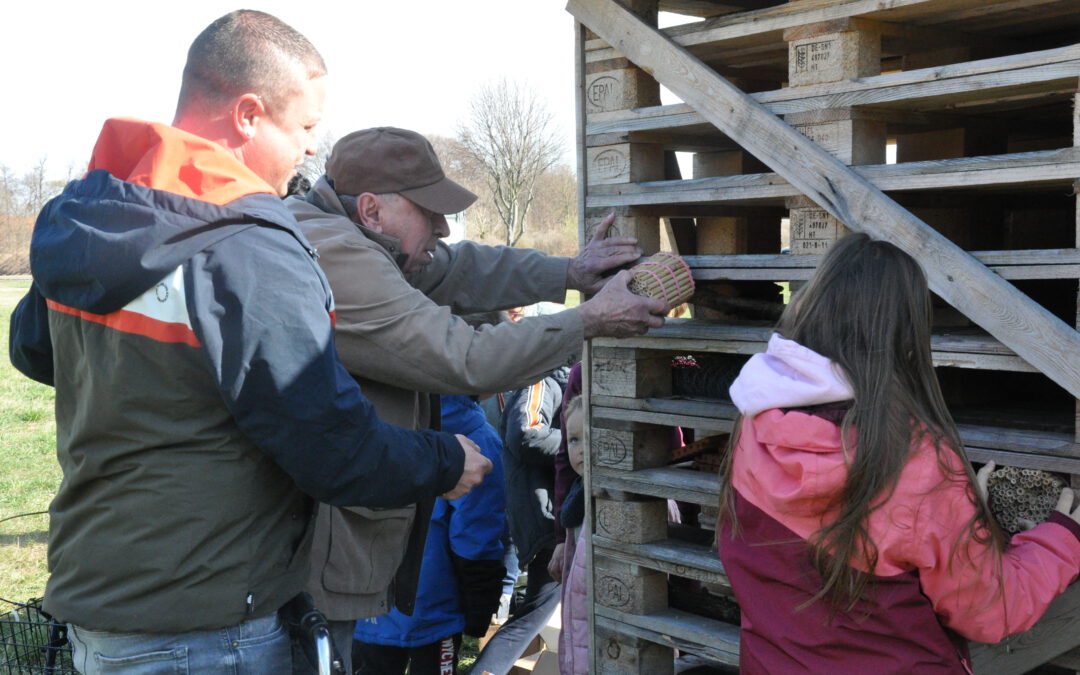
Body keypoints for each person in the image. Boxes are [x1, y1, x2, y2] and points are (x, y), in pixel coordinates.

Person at [7, 11, 489, 674]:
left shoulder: (96, 219)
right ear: (248, 114)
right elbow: (331, 448)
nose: (312, 151)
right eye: (306, 127)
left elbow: (32, 348)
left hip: (97, 603)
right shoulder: (247, 246)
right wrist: (444, 459)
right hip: (205, 627)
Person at [283, 126, 668, 665]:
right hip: (309, 559)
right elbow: (463, 357)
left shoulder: (365, 239)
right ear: (371, 210)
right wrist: (589, 319)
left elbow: (461, 267)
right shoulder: (336, 254)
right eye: (429, 211)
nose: (442, 227)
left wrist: (570, 272)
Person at [717, 233, 1080, 674]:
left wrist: (953, 514)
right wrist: (1063, 536)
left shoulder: (753, 426)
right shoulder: (917, 464)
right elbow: (991, 611)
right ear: (906, 337)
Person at [352, 392, 506, 674]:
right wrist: (479, 608)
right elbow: (476, 538)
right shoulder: (479, 440)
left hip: (365, 596)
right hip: (435, 607)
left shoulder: (366, 424)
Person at [469, 367, 570, 674]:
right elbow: (527, 433)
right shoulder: (541, 380)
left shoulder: (566, 383)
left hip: (552, 516)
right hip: (546, 520)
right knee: (530, 618)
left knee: (535, 615)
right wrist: (581, 443)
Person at [556, 394, 588, 674]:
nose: (579, 449)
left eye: (588, 438)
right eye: (574, 440)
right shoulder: (578, 500)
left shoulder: (644, 502)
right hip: (582, 627)